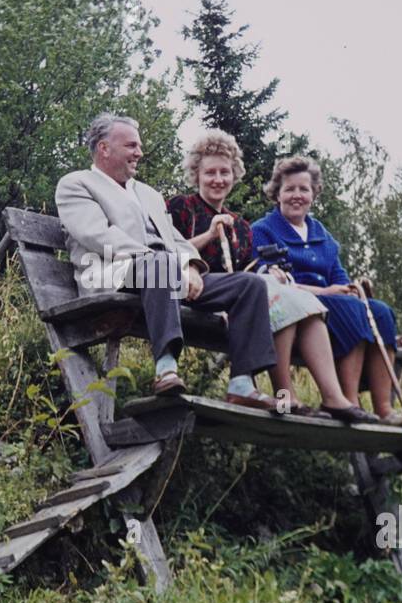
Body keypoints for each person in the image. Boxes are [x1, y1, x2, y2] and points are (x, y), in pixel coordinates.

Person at [55, 113, 281, 411]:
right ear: (104, 148)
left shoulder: (146, 193)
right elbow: (99, 236)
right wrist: (168, 265)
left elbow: (174, 238)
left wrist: (189, 266)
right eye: (132, 145)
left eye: (139, 146)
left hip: (163, 275)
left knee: (249, 285)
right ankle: (165, 367)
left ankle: (242, 382)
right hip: (112, 274)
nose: (139, 153)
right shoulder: (76, 184)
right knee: (159, 264)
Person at [166, 131, 378, 423]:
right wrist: (208, 234)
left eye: (224, 172)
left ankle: (333, 399)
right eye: (210, 172)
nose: (218, 179)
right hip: (190, 291)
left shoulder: (240, 226)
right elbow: (165, 251)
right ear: (196, 174)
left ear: (234, 175)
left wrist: (269, 273)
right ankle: (284, 397)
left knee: (302, 303)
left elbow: (247, 272)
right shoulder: (181, 207)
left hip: (236, 300)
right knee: (282, 299)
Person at [250, 156, 402, 426]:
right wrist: (328, 293)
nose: (296, 195)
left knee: (381, 312)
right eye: (289, 189)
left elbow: (339, 278)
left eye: (304, 189)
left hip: (327, 306)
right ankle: (346, 401)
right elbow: (268, 283)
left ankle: (384, 408)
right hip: (294, 305)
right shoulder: (263, 230)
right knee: (351, 308)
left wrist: (351, 289)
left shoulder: (323, 235)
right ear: (277, 193)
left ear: (314, 194)